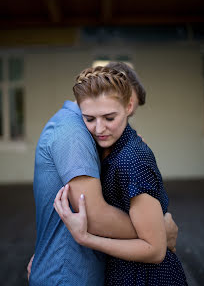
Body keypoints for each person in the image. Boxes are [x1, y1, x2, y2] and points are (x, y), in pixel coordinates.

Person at [28, 62, 178, 285]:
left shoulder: (126, 153)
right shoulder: (75, 134)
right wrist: (160, 230)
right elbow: (96, 217)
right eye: (93, 117)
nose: (101, 128)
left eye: (112, 117)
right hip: (79, 274)